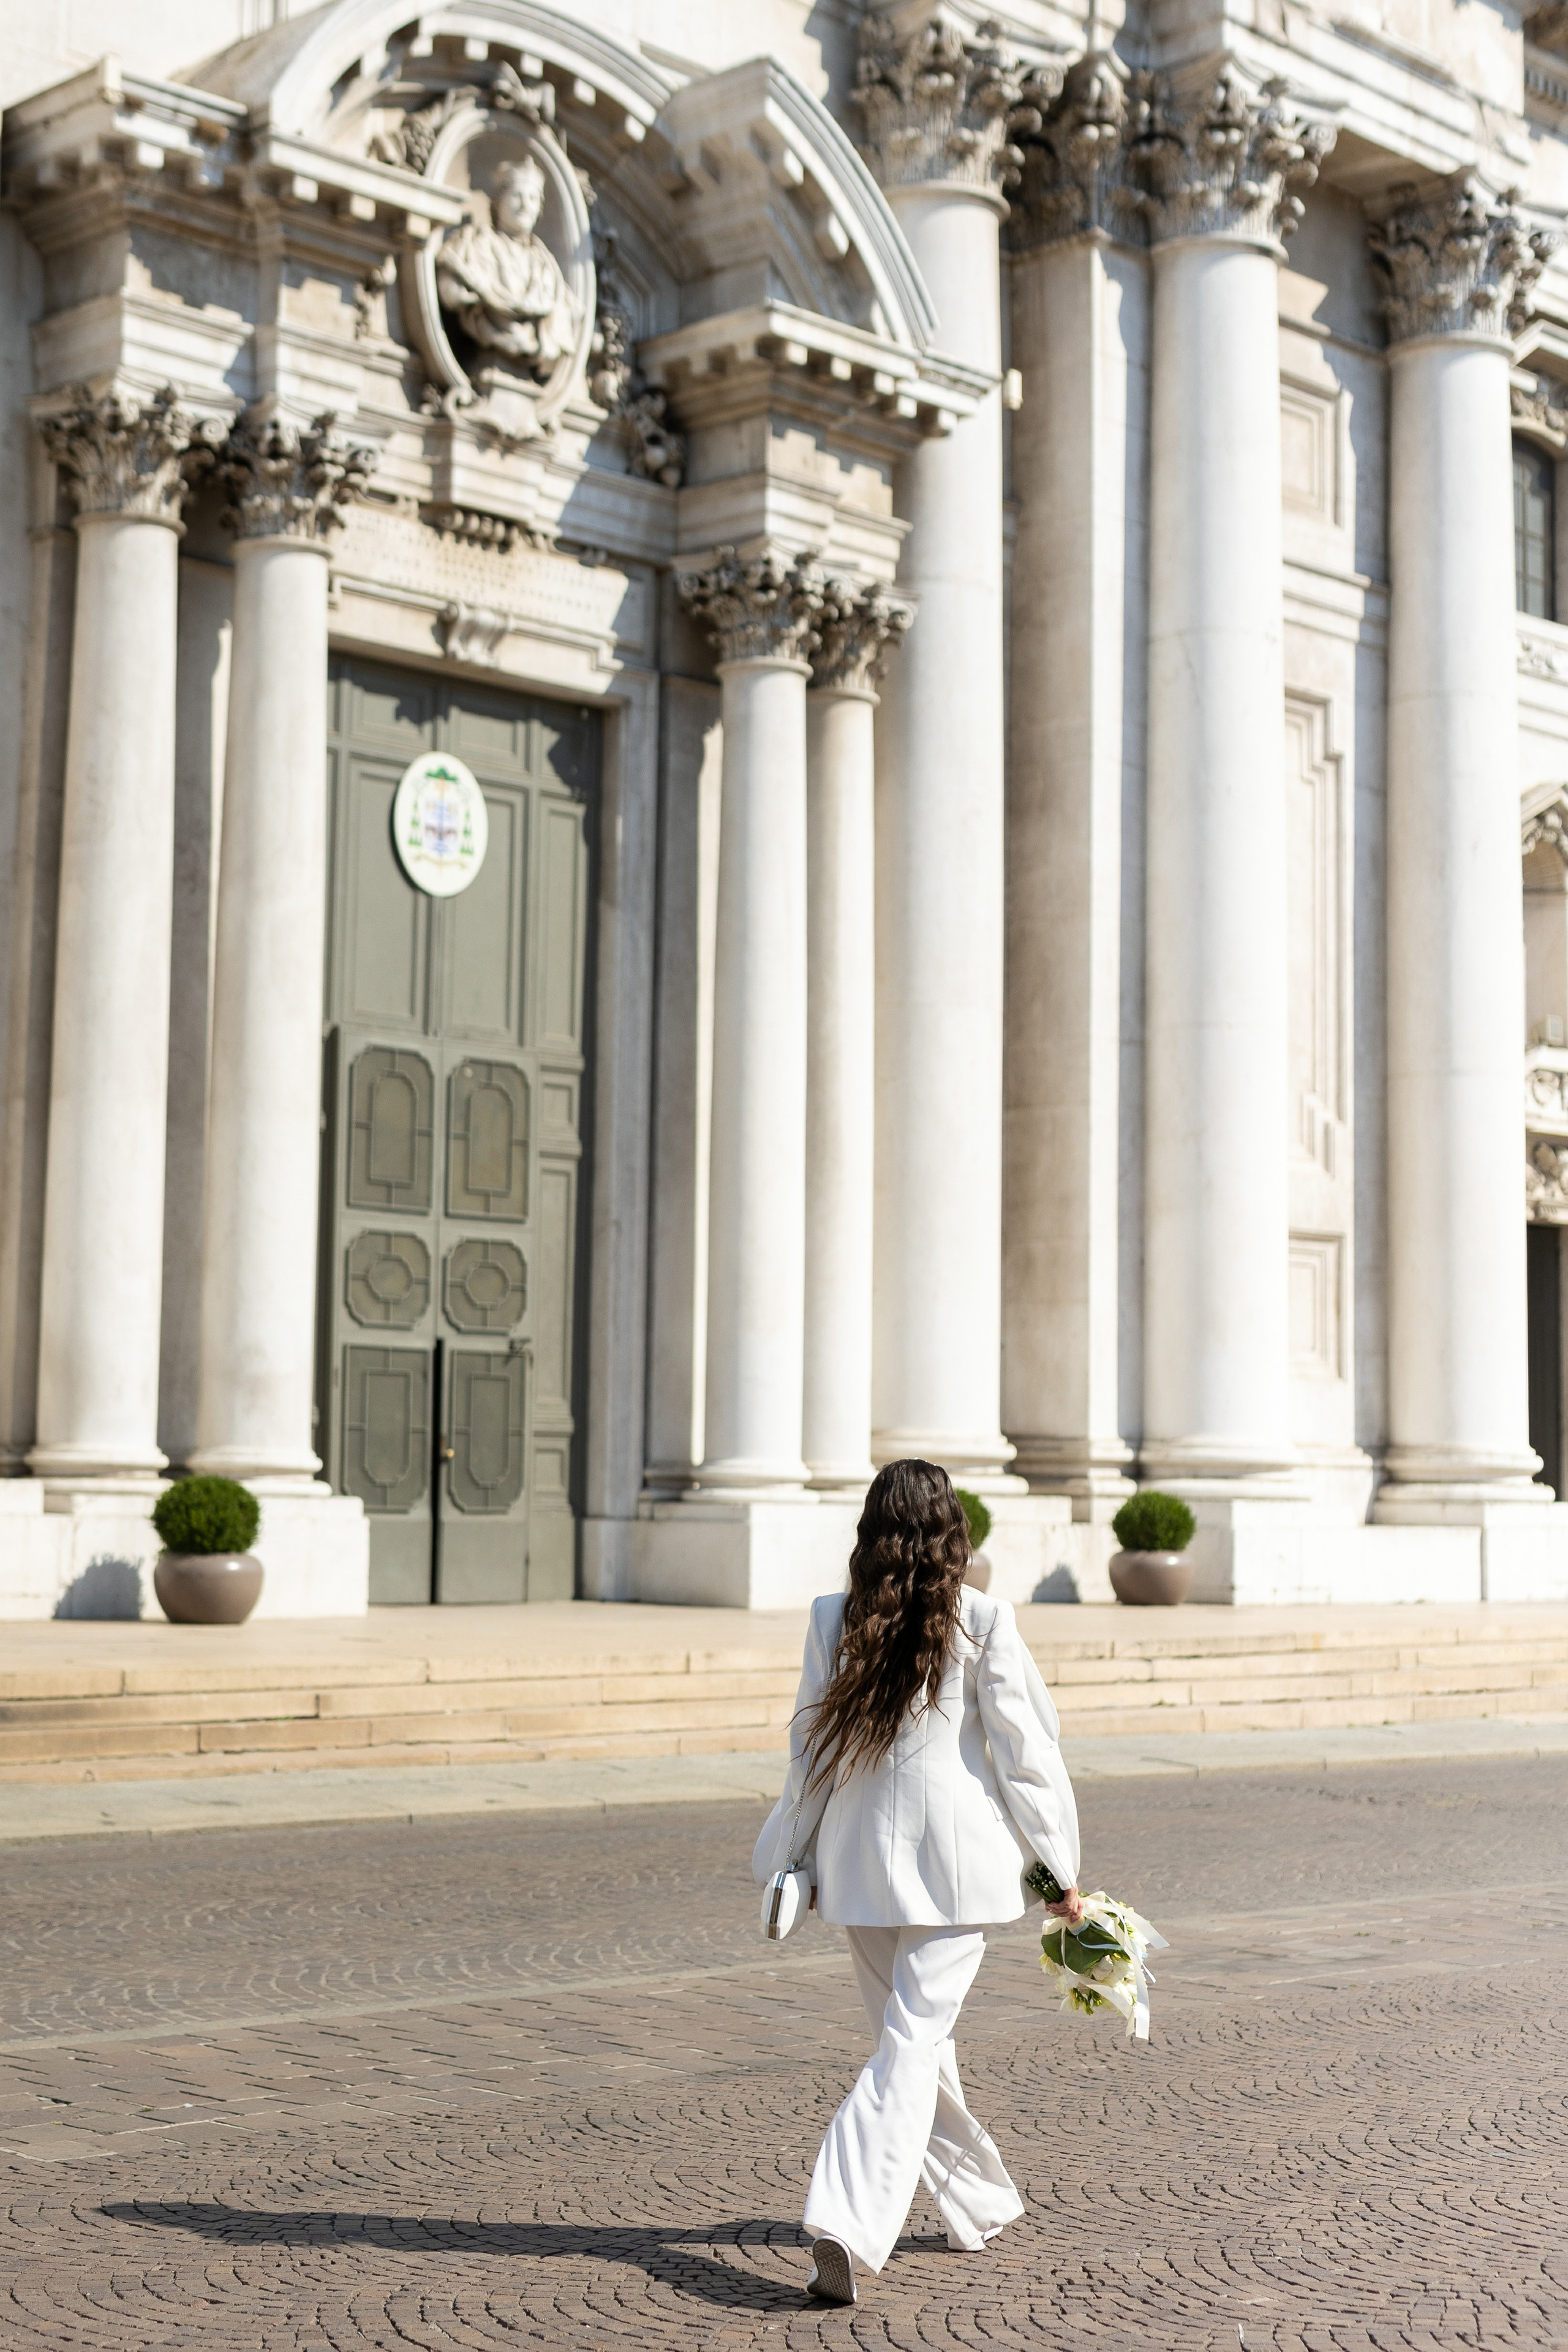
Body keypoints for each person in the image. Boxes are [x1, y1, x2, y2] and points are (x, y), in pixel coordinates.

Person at [752, 1457, 1084, 2306]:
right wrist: (1057, 1871)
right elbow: (1026, 1760)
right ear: (951, 1531)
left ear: (870, 1529)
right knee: (910, 2047)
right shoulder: (983, 1620)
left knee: (911, 2046)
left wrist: (794, 1854)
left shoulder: (833, 1618)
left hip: (859, 1867)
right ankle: (845, 2221)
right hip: (958, 1871)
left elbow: (808, 1756)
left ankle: (978, 2201)